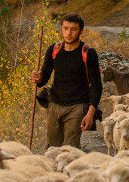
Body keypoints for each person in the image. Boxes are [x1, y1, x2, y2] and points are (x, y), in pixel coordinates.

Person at [32, 13, 102, 149]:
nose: (68, 33)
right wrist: (38, 78)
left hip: (77, 107)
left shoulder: (88, 53)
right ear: (61, 29)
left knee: (70, 150)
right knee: (52, 148)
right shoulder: (54, 49)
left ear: (81, 31)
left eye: (73, 29)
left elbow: (96, 86)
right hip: (55, 106)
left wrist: (90, 114)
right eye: (65, 28)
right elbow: (43, 79)